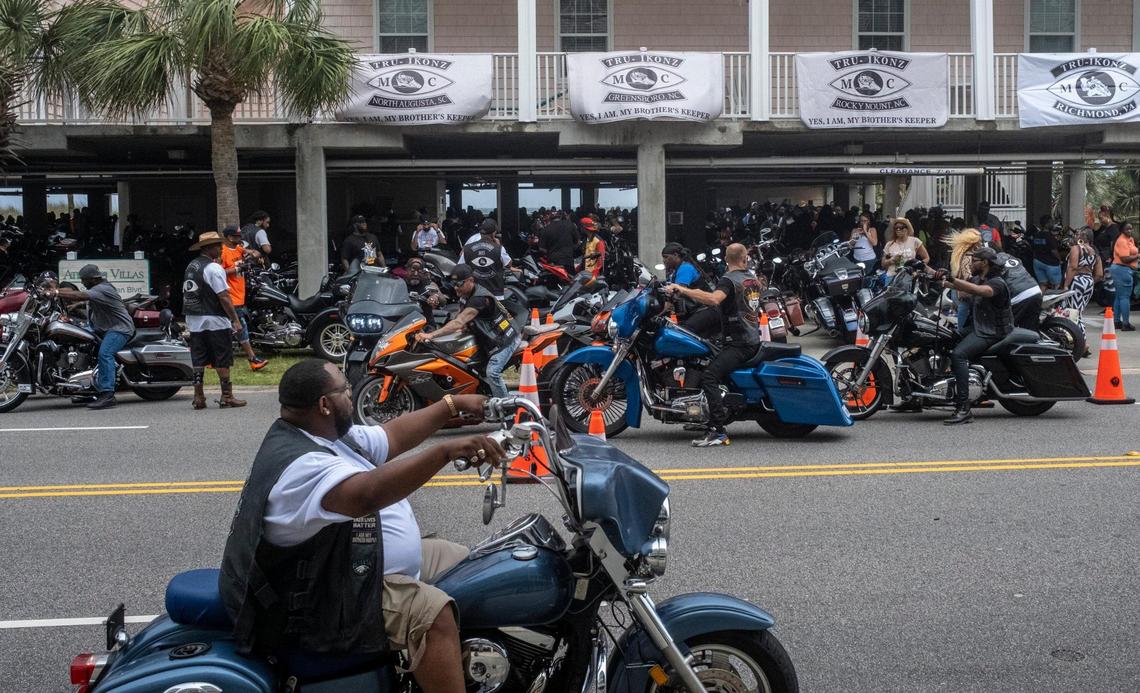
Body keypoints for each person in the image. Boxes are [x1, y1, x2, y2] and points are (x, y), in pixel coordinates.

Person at [219, 359, 504, 693]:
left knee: (476, 565)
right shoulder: (300, 465)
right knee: (433, 613)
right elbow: (365, 495)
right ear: (325, 405)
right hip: (321, 594)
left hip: (352, 562)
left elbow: (391, 436)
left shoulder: (326, 434)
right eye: (345, 389)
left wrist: (451, 405)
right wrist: (443, 453)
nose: (352, 394)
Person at [665, 243, 763, 447]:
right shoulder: (750, 278)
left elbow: (713, 299)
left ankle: (718, 431)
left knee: (709, 376)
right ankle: (705, 416)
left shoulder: (729, 280)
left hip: (740, 343)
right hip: (749, 338)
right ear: (745, 258)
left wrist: (682, 290)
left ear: (726, 260)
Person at [414, 265, 521, 398]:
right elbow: (460, 316)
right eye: (453, 284)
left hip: (506, 338)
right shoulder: (466, 293)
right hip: (489, 338)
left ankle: (506, 410)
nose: (455, 287)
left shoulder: (479, 298)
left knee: (492, 372)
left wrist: (431, 334)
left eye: (459, 284)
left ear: (470, 280)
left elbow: (458, 322)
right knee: (470, 366)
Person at [937, 246, 1013, 426]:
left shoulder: (996, 283)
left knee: (959, 354)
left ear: (985, 263)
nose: (970, 263)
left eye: (974, 260)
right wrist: (928, 272)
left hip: (992, 330)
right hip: (978, 327)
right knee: (943, 336)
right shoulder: (980, 278)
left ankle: (964, 408)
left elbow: (980, 291)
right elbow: (956, 285)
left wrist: (952, 279)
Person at [51, 264, 134, 409]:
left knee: (105, 354)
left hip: (119, 328)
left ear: (94, 279)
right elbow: (85, 298)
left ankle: (108, 395)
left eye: (84, 280)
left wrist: (56, 292)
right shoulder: (99, 288)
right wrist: (78, 306)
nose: (82, 283)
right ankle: (86, 390)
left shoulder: (102, 289)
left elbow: (80, 295)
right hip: (102, 327)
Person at [184, 231, 247, 410]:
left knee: (198, 359)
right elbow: (224, 296)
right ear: (209, 248)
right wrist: (235, 320)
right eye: (218, 246)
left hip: (194, 319)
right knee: (222, 357)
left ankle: (198, 396)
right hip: (215, 318)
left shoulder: (191, 266)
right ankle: (227, 396)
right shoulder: (213, 268)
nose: (221, 248)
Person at [221, 226, 268, 370]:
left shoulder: (239, 249)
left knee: (229, 330)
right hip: (231, 297)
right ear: (229, 237)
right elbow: (218, 273)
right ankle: (253, 359)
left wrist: (250, 256)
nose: (239, 239)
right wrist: (237, 269)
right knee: (240, 328)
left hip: (240, 296)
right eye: (236, 236)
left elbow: (256, 253)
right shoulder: (223, 253)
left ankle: (213, 358)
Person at [1062, 227, 1103, 352]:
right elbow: (1100, 274)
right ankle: (1078, 342)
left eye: (1078, 234)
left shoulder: (1076, 249)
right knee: (1078, 312)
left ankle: (1082, 345)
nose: (1076, 235)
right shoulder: (1094, 252)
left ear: (1083, 237)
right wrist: (1089, 282)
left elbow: (1073, 267)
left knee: (1075, 313)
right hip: (1088, 281)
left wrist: (1066, 285)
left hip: (1076, 281)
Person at [457, 219, 512, 301]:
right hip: (494, 295)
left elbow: (460, 268)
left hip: (472, 295)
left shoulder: (467, 248)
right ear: (494, 233)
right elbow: (508, 264)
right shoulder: (499, 248)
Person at [994, 249, 1043, 331]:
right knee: (1030, 328)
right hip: (1035, 290)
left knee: (1005, 329)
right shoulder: (1010, 256)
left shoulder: (994, 263)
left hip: (1019, 296)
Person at [947, 228, 982, 333]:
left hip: (957, 291)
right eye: (979, 241)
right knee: (964, 329)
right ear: (974, 243)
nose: (981, 243)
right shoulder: (969, 257)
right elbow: (968, 277)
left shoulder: (958, 255)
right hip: (965, 293)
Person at [1110, 221, 1138, 331]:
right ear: (1122, 230)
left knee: (1119, 296)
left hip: (1122, 270)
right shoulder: (1122, 241)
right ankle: (1125, 323)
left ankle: (1117, 321)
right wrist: (1138, 256)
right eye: (1127, 229)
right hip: (1122, 270)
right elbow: (1125, 258)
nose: (1130, 231)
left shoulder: (1129, 239)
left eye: (1131, 229)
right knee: (1124, 297)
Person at [538, 210, 579, 279]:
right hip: (568, 259)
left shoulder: (545, 229)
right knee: (571, 282)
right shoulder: (570, 225)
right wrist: (570, 249)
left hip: (553, 261)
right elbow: (577, 242)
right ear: (560, 217)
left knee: (555, 284)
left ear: (550, 218)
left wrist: (550, 251)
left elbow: (541, 248)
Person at [1029, 221, 1063, 288]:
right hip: (1050, 263)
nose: (1052, 224)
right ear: (1047, 224)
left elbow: (1032, 247)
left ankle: (1041, 298)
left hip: (1037, 262)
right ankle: (1055, 298)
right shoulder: (1050, 236)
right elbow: (1054, 251)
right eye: (1051, 222)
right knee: (1056, 285)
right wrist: (1060, 260)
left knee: (1043, 284)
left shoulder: (1036, 235)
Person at [849, 212, 879, 276]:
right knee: (858, 278)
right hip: (857, 259)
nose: (863, 223)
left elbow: (874, 243)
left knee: (869, 278)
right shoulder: (855, 230)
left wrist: (866, 232)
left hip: (869, 259)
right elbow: (850, 245)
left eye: (865, 221)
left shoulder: (872, 230)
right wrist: (856, 236)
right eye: (861, 221)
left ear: (869, 221)